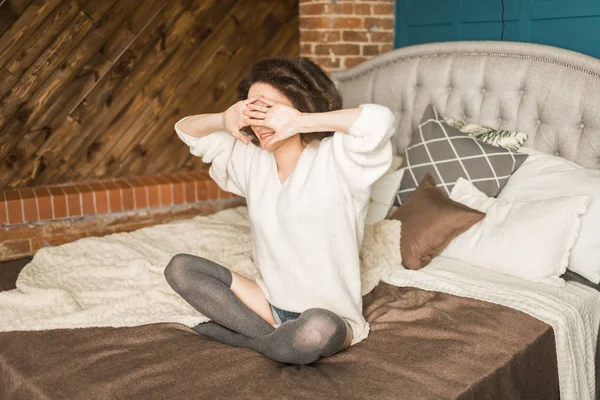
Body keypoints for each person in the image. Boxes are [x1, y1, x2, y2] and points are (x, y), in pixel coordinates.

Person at [164, 56, 395, 365]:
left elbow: (380, 121)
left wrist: (299, 121)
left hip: (329, 315)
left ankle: (249, 339)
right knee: (180, 268)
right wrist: (224, 117)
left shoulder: (339, 159)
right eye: (252, 110)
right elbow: (187, 131)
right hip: (268, 303)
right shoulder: (250, 160)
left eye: (268, 109)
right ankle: (272, 342)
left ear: (299, 105)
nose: (259, 121)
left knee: (316, 330)